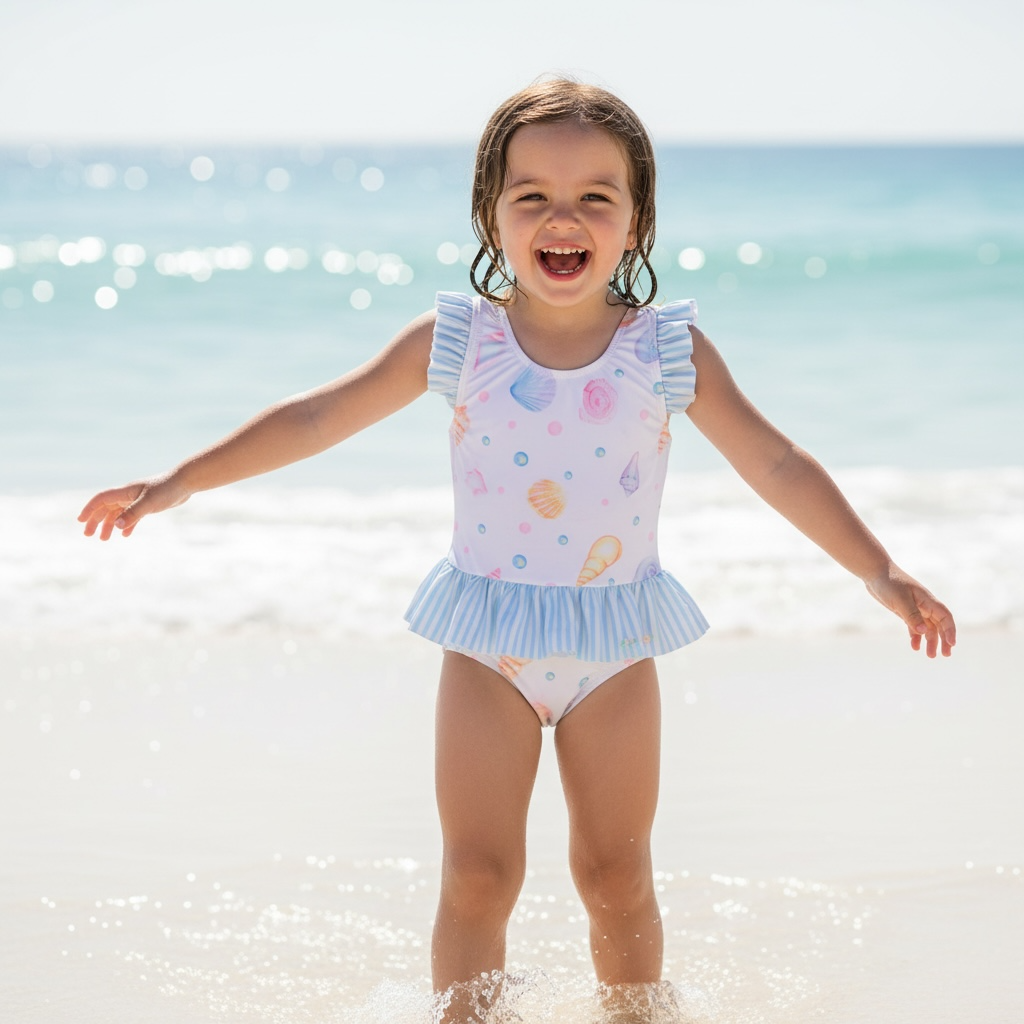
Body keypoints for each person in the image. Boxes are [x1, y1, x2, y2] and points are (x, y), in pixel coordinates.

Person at [79, 80, 956, 1023]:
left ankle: (635, 1016)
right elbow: (318, 415)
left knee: (615, 872)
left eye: (594, 197)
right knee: (476, 873)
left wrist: (879, 568)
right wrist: (178, 482)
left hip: (615, 648)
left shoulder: (667, 350)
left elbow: (777, 463)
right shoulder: (457, 341)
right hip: (487, 646)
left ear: (637, 220)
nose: (561, 216)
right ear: (490, 216)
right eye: (530, 195)